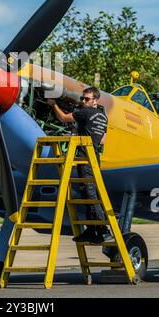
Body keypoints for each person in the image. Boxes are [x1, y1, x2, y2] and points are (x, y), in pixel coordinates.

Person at [47, 86, 111, 244]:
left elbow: (63, 118)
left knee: (89, 193)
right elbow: (103, 140)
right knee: (88, 192)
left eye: (86, 99)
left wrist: (53, 104)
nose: (83, 101)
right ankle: (91, 229)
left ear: (95, 100)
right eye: (82, 99)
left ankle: (103, 230)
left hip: (85, 158)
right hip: (94, 156)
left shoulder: (85, 112)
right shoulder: (103, 116)